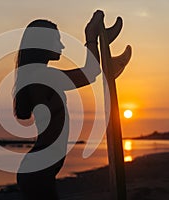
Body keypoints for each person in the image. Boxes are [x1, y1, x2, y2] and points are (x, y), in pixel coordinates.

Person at [13, 10, 104, 200]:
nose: (62, 45)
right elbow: (91, 72)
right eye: (57, 40)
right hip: (38, 171)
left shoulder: (37, 75)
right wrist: (91, 38)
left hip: (37, 170)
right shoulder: (43, 76)